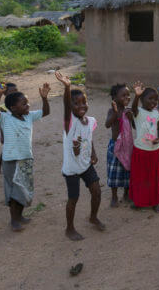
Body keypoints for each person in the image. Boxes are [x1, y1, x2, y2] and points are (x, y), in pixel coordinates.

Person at [0, 82, 50, 232]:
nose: (28, 105)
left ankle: (20, 216)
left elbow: (46, 112)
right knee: (13, 191)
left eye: (27, 102)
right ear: (13, 108)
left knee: (23, 189)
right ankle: (14, 220)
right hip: (10, 161)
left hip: (26, 159)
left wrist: (44, 98)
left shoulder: (29, 116)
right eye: (24, 104)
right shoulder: (5, 118)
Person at [55, 71, 105, 241]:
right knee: (73, 199)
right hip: (72, 170)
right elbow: (66, 106)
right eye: (76, 104)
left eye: (84, 102)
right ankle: (69, 228)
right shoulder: (70, 122)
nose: (81, 106)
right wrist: (67, 87)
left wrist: (93, 152)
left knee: (96, 191)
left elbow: (88, 137)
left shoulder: (90, 121)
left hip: (86, 164)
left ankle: (93, 216)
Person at [129, 82, 159, 212]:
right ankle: (139, 201)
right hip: (140, 151)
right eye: (150, 98)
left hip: (154, 151)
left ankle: (155, 202)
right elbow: (133, 108)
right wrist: (136, 95)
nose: (154, 101)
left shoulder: (156, 114)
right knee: (140, 178)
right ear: (142, 99)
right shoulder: (138, 112)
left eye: (156, 99)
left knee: (154, 178)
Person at [105, 83, 133, 207]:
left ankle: (126, 194)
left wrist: (132, 117)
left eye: (128, 94)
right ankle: (114, 196)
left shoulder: (129, 111)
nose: (127, 97)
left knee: (128, 171)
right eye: (123, 95)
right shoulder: (112, 110)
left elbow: (136, 127)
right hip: (115, 146)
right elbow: (107, 124)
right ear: (115, 98)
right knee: (114, 172)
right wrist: (116, 114)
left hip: (127, 146)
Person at [0, 82, 18, 174]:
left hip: (18, 130)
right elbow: (1, 122)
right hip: (7, 131)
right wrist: (2, 134)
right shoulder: (2, 108)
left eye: (16, 91)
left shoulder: (20, 103)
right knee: (6, 148)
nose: (14, 93)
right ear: (5, 94)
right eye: (11, 92)